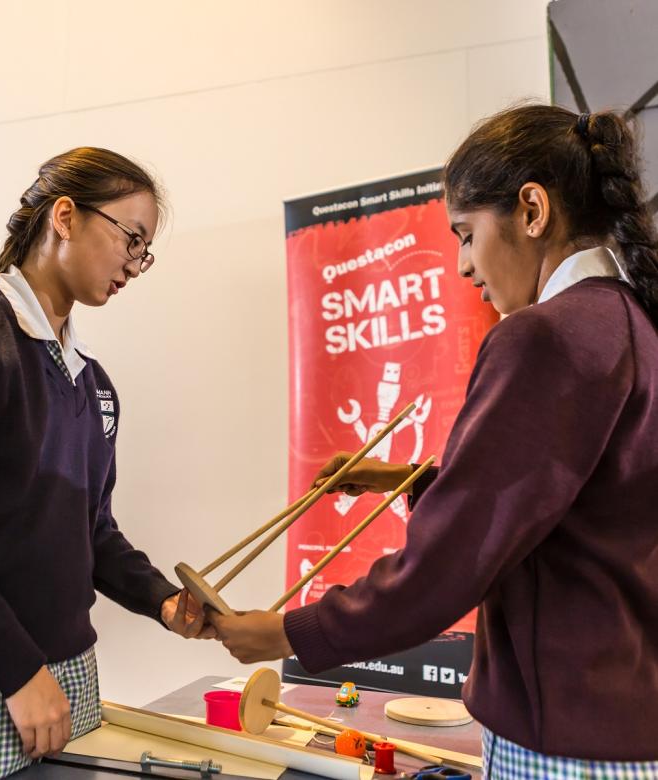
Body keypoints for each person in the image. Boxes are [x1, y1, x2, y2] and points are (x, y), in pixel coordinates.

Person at [210, 105, 658, 777]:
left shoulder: (545, 336)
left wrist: (285, 633)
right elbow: (573, 505)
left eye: (467, 234)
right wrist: (400, 480)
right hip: (620, 721)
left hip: (564, 740)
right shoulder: (633, 323)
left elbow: (452, 559)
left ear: (532, 210)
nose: (461, 266)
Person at [0, 147, 211, 779]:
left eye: (145, 252)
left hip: (63, 680)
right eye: (131, 239)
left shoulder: (93, 382)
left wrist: (163, 601)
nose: (135, 266)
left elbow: (90, 530)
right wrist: (18, 670)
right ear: (64, 216)